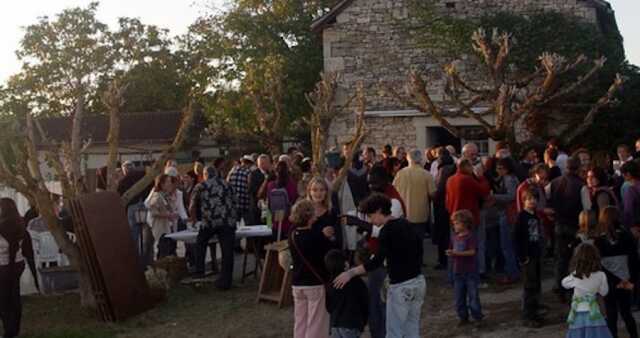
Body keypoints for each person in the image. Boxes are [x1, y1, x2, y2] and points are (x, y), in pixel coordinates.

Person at [334, 194, 425, 338]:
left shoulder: (386, 231)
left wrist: (351, 273)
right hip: (418, 282)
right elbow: (419, 251)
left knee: (394, 331)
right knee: (411, 329)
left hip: (401, 287)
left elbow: (376, 262)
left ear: (378, 211)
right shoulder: (407, 224)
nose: (370, 220)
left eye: (370, 216)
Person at [189, 166, 237, 290]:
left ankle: (200, 271)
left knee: (200, 243)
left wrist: (194, 220)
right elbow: (235, 201)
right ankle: (225, 282)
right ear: (216, 173)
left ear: (205, 174)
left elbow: (192, 205)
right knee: (227, 252)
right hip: (227, 221)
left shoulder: (200, 186)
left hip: (210, 221)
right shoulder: (227, 184)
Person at [289, 199, 331, 338]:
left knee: (300, 322)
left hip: (297, 283)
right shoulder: (316, 237)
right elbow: (324, 257)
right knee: (316, 324)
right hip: (314, 283)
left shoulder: (293, 234)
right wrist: (325, 236)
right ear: (309, 217)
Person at [594, 207, 638, 338]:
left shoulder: (599, 240)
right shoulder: (626, 236)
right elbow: (634, 260)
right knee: (626, 313)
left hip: (609, 283)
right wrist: (631, 281)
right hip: (625, 280)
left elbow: (599, 266)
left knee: (611, 314)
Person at [549, 157, 587, 300]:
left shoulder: (555, 182)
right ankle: (572, 288)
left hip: (559, 224)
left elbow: (545, 196)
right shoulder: (581, 185)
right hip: (575, 226)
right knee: (575, 259)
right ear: (578, 168)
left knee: (560, 258)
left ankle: (559, 287)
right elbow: (587, 208)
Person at [446, 159, 491, 277]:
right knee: (475, 244)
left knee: (455, 245)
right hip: (468, 218)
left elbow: (447, 200)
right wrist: (481, 178)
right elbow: (483, 191)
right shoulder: (468, 179)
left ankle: (453, 274)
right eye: (470, 167)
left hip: (454, 217)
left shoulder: (450, 180)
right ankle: (478, 271)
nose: (472, 169)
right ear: (466, 167)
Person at [0, 198, 36, 338]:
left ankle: (9, 331)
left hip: (3, 266)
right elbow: (28, 248)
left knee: (3, 299)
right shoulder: (21, 224)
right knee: (14, 296)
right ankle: (14, 330)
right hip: (17, 265)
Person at [561, 243, 612, 338]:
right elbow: (604, 292)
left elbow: (564, 284)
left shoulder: (575, 275)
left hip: (578, 314)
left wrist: (575, 273)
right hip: (594, 313)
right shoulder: (601, 275)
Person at [447, 210, 483, 327]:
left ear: (465, 223)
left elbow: (472, 252)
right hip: (458, 272)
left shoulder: (471, 237)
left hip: (470, 272)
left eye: (457, 223)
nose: (454, 225)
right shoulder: (455, 238)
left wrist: (456, 253)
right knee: (459, 299)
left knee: (473, 298)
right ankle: (463, 317)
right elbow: (453, 252)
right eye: (454, 223)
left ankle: (477, 317)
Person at [515, 190, 545, 328]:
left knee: (536, 284)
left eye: (534, 199)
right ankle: (528, 315)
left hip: (536, 254)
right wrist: (522, 256)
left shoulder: (536, 216)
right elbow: (517, 238)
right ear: (523, 201)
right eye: (529, 199)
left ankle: (535, 311)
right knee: (529, 286)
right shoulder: (521, 217)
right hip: (528, 257)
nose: (532, 201)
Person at [393, 149, 436, 240]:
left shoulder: (400, 174)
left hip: (403, 214)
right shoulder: (427, 175)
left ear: (408, 159)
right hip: (420, 214)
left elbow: (394, 191)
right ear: (421, 159)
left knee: (406, 242)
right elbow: (433, 194)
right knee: (418, 242)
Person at [325, 249, 369, 338]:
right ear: (346, 264)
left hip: (335, 324)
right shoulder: (357, 281)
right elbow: (365, 302)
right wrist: (364, 321)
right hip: (352, 324)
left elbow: (329, 307)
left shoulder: (331, 283)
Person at [493, 158, 520, 284]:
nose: (498, 171)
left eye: (500, 168)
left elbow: (511, 196)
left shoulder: (509, 179)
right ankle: (513, 271)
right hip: (508, 214)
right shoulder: (510, 178)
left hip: (508, 214)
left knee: (507, 246)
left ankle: (511, 273)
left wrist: (494, 196)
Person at [432, 148, 456, 270]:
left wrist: (433, 196)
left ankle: (443, 260)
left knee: (443, 234)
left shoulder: (443, 170)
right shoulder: (453, 167)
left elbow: (440, 188)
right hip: (449, 204)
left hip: (441, 205)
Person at [147, 174, 179, 260]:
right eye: (167, 181)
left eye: (170, 181)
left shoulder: (165, 195)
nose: (170, 184)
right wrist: (168, 215)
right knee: (163, 252)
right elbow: (153, 212)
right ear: (161, 184)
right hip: (160, 229)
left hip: (167, 228)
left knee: (168, 251)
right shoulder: (156, 195)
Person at [267, 161, 299, 239]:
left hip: (276, 219)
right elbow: (294, 200)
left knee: (276, 244)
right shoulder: (292, 185)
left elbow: (269, 204)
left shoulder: (271, 185)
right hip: (288, 219)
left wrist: (269, 222)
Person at [307, 177, 342, 250]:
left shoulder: (332, 211)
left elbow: (338, 238)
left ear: (326, 192)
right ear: (310, 192)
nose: (318, 193)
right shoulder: (304, 212)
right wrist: (322, 234)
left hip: (328, 253)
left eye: (322, 190)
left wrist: (333, 236)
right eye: (315, 190)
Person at [228, 155, 253, 223]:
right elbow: (249, 187)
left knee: (235, 224)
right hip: (244, 202)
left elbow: (227, 184)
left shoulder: (232, 171)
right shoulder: (248, 172)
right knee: (248, 223)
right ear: (249, 163)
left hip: (233, 203)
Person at [247, 154, 271, 225]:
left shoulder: (271, 174)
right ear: (259, 164)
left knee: (269, 227)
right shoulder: (253, 174)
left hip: (269, 208)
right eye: (262, 163)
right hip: (257, 207)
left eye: (267, 162)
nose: (265, 165)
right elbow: (252, 190)